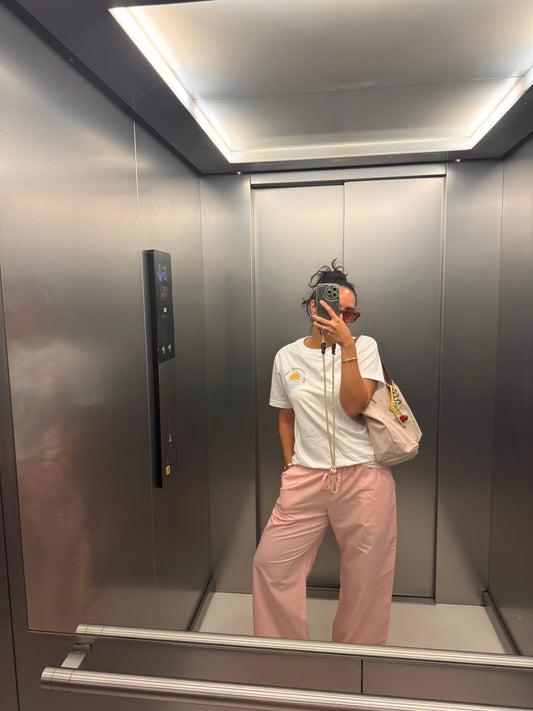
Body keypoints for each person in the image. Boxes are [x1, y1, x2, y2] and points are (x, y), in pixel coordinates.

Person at [253, 260, 397, 645]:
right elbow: (286, 417)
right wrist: (290, 465)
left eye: (350, 314)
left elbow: (354, 405)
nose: (342, 318)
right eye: (336, 310)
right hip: (305, 478)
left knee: (366, 579)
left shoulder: (364, 347)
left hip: (364, 476)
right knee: (270, 565)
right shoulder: (286, 357)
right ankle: (283, 659)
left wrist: (346, 345)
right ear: (314, 308)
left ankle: (356, 661)